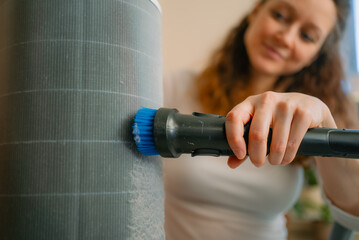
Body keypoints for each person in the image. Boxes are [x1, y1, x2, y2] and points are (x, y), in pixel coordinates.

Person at [163, 0, 359, 239]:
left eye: (307, 36)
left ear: (314, 55)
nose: (286, 38)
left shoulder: (313, 119)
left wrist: (325, 121)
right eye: (280, 15)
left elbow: (354, 210)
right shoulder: (173, 89)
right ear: (255, 12)